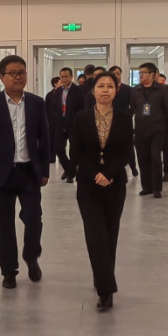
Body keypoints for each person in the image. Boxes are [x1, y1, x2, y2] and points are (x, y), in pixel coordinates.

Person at [0, 54, 51, 289]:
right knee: (3, 224)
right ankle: (9, 271)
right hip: (2, 173)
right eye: (13, 73)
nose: (18, 77)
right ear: (2, 77)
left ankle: (31, 255)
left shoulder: (37, 103)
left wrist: (45, 170)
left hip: (29, 172)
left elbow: (44, 139)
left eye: (22, 73)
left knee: (34, 218)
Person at [70, 71, 134, 311]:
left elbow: (127, 151)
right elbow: (76, 152)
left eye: (110, 86)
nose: (105, 90)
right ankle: (106, 289)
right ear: (93, 91)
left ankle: (102, 278)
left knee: (109, 235)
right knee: (95, 234)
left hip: (115, 185)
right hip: (88, 184)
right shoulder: (81, 118)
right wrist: (95, 173)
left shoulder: (125, 118)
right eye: (101, 86)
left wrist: (110, 173)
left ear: (116, 90)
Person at [129, 62, 168, 198]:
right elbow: (132, 109)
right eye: (140, 73)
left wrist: (164, 122)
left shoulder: (162, 90)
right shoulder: (135, 90)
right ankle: (146, 187)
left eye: (144, 73)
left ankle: (157, 188)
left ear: (152, 74)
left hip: (157, 130)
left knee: (155, 158)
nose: (141, 75)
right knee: (142, 159)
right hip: (140, 130)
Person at [48, 66, 86, 183]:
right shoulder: (58, 91)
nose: (64, 79)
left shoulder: (77, 90)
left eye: (66, 77)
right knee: (58, 148)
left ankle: (70, 174)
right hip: (60, 123)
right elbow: (55, 107)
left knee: (73, 150)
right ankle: (70, 169)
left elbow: (82, 107)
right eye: (62, 77)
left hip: (73, 123)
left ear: (71, 77)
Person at [110, 65, 137, 178]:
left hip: (125, 121)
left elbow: (134, 105)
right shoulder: (108, 88)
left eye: (118, 73)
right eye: (114, 74)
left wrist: (128, 114)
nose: (116, 76)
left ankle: (133, 167)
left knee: (128, 146)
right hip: (110, 121)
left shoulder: (128, 89)